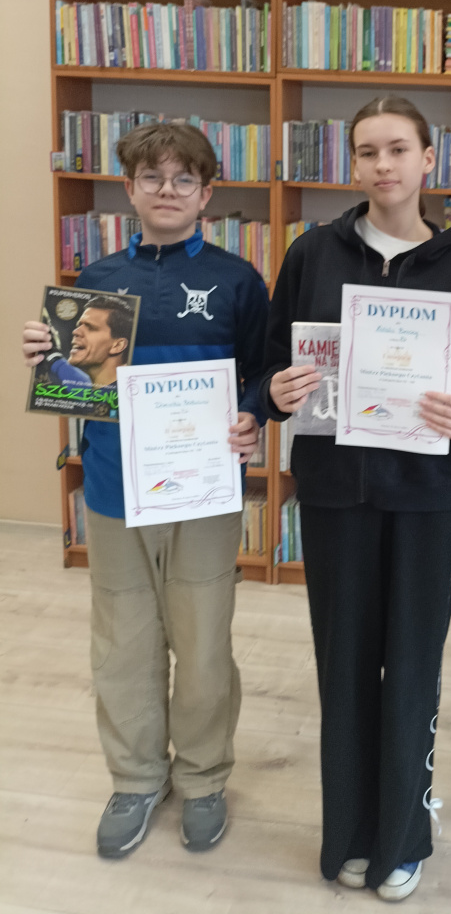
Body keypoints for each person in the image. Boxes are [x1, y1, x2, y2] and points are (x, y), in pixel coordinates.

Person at [260, 96, 451, 902]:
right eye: (367, 151)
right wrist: (275, 391)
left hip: (423, 501)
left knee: (414, 669)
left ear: (429, 159)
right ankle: (351, 835)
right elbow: (270, 363)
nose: (383, 165)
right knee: (346, 668)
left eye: (398, 149)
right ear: (352, 163)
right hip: (334, 497)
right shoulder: (311, 254)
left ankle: (403, 837)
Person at [22, 123, 269, 858]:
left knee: (202, 644)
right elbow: (77, 385)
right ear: (129, 189)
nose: (168, 190)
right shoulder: (94, 281)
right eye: (152, 177)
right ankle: (135, 778)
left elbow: (261, 373)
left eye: (183, 178)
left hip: (203, 493)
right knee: (123, 643)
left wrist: (252, 414)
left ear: (207, 194)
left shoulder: (237, 280)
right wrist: (46, 360)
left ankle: (203, 778)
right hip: (113, 488)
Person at [37, 293, 134, 416]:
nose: (75, 331)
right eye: (79, 326)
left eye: (91, 328)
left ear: (117, 346)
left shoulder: (130, 401)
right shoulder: (89, 392)